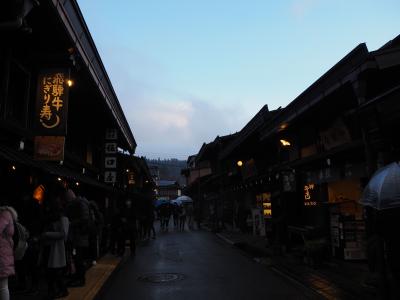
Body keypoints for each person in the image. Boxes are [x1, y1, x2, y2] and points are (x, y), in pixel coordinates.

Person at [40, 196, 69, 299]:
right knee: (50, 272)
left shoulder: (63, 218)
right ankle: (52, 292)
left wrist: (47, 234)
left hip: (56, 248)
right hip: (50, 247)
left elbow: (63, 234)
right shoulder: (53, 217)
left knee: (56, 272)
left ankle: (62, 290)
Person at [0, 206, 18, 300]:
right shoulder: (7, 214)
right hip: (5, 253)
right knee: (3, 285)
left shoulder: (4, 214)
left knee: (3, 285)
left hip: (2, 254)